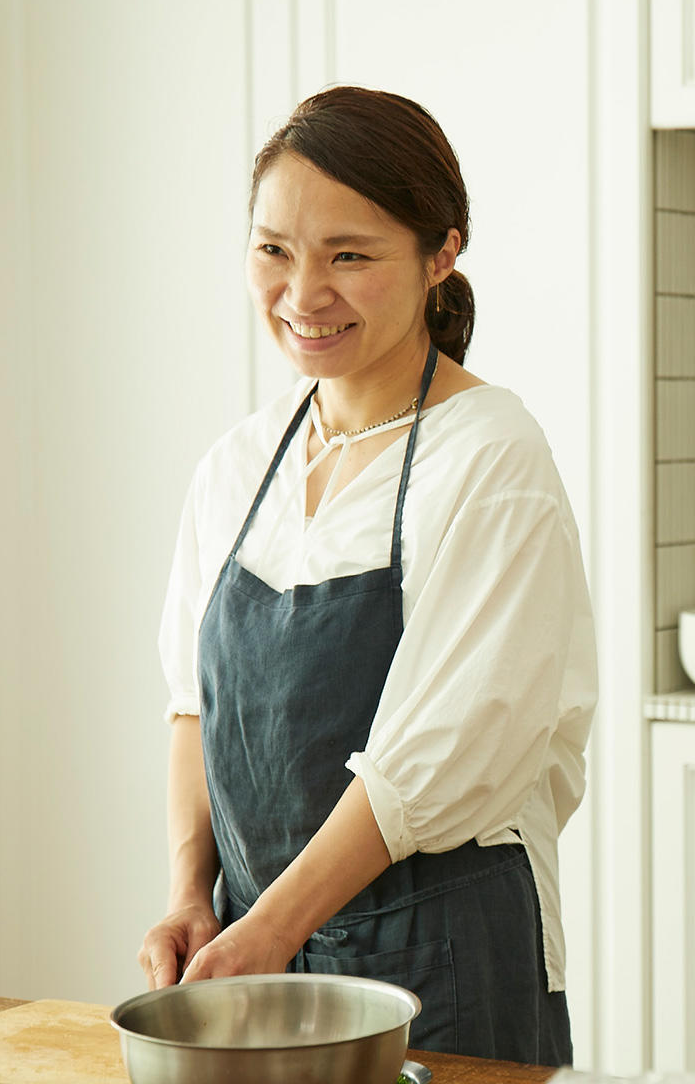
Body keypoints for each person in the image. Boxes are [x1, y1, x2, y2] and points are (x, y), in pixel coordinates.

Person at [139, 86, 597, 1067]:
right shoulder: (238, 466)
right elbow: (192, 707)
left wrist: (269, 932)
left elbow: (430, 760)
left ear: (442, 255)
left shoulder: (487, 458)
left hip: (438, 966)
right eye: (273, 250)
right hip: (253, 959)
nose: (303, 294)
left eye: (349, 255)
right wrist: (191, 892)